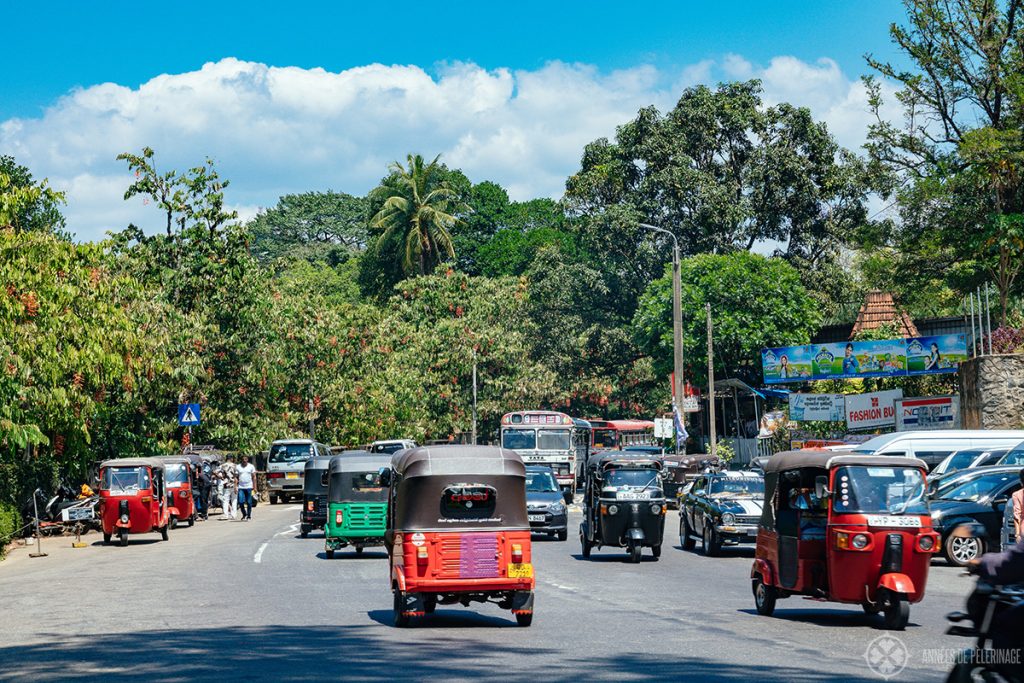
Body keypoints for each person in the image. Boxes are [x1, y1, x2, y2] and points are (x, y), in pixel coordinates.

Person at [236, 455, 257, 521]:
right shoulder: (238, 467)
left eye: (245, 459)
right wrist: (235, 486)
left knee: (249, 502)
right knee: (241, 502)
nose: (244, 460)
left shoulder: (251, 466)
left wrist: (255, 487)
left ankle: (249, 516)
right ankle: (244, 514)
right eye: (243, 459)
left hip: (249, 487)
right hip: (241, 487)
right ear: (241, 460)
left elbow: (254, 477)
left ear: (247, 460)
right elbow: (236, 477)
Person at [219, 456, 239, 521]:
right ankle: (234, 515)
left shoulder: (222, 465)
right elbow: (236, 476)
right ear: (231, 458)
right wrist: (236, 486)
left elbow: (215, 472)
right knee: (234, 500)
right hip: (234, 485)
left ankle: (226, 515)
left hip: (226, 485)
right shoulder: (235, 466)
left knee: (226, 500)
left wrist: (221, 477)